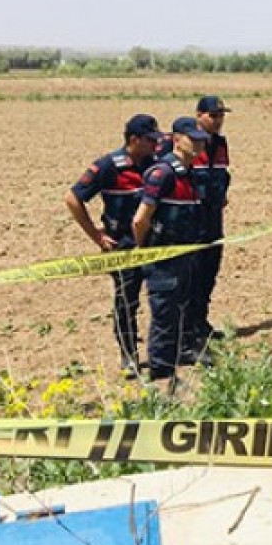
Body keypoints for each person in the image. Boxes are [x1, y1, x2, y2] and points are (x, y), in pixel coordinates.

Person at [64, 114, 162, 377]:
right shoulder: (109, 166)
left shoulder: (156, 164)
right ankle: (128, 355)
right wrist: (96, 235)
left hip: (154, 243)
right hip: (123, 246)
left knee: (161, 299)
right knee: (126, 302)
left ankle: (162, 352)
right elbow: (73, 198)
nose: (155, 144)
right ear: (134, 140)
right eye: (150, 140)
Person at [132, 117, 208, 380]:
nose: (198, 144)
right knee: (164, 315)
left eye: (201, 140)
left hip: (185, 256)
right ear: (176, 139)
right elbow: (141, 219)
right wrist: (146, 250)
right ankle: (161, 371)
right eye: (192, 139)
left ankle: (177, 355)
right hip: (164, 258)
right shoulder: (162, 173)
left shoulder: (191, 174)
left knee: (181, 309)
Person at [188, 95, 232, 348]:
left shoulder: (221, 143)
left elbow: (222, 175)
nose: (218, 121)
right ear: (199, 115)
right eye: (213, 116)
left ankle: (201, 321)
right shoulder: (187, 143)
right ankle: (188, 327)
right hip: (192, 219)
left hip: (214, 218)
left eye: (221, 116)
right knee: (192, 273)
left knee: (209, 270)